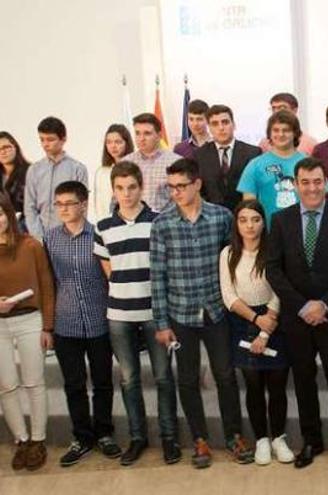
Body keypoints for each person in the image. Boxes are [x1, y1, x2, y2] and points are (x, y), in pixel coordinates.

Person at [150, 159, 253, 468]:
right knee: (188, 378)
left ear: (197, 184)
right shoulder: (162, 224)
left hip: (216, 312)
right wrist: (161, 322)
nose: (176, 193)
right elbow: (157, 276)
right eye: (171, 188)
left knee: (225, 375)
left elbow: (233, 264)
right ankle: (200, 440)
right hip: (180, 315)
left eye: (181, 186)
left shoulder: (221, 218)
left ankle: (234, 436)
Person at [265, 158, 328, 469]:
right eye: (305, 182)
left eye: (317, 181)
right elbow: (274, 270)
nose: (311, 188)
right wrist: (303, 306)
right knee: (304, 382)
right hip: (297, 318)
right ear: (295, 185)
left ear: (326, 183)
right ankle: (312, 441)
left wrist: (325, 304)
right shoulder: (280, 221)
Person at [93, 161, 179, 466]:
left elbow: (166, 268)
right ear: (113, 190)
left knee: (163, 376)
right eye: (120, 188)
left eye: (131, 187)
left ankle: (169, 437)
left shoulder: (159, 221)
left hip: (155, 313)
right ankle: (138, 437)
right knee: (129, 379)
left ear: (141, 187)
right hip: (119, 314)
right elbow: (110, 273)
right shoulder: (103, 228)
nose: (126, 194)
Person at [43, 181, 120, 466]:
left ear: (83, 204)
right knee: (74, 384)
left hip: (100, 320)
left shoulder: (99, 235)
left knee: (102, 382)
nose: (63, 209)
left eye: (69, 203)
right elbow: (48, 283)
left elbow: (111, 276)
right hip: (66, 323)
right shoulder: (50, 239)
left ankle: (104, 433)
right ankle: (82, 437)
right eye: (58, 204)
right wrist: (47, 326)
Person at [220, 200, 292, 466]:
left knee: (277, 385)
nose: (249, 226)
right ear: (236, 224)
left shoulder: (274, 251)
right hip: (242, 319)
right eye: (243, 220)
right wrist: (255, 321)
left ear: (264, 222)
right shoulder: (228, 254)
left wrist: (266, 327)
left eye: (255, 219)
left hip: (275, 320)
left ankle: (278, 439)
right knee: (253, 385)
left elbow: (280, 288)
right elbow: (228, 295)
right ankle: (261, 439)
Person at [0, 194, 53, 471]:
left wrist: (48, 326)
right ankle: (20, 440)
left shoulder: (30, 245)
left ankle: (38, 440)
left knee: (34, 382)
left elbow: (46, 284)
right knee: (7, 385)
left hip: (30, 320)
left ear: (9, 215)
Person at [237, 110, 308, 229]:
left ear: (295, 133)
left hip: (303, 231)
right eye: (276, 130)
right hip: (269, 233)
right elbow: (249, 207)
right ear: (269, 134)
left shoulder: (308, 163)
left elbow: (319, 198)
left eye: (286, 130)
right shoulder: (255, 165)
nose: (281, 134)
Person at [24, 116, 88, 241]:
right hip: (40, 238)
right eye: (42, 139)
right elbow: (29, 207)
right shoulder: (34, 170)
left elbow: (82, 207)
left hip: (69, 237)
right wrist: (39, 237)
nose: (45, 144)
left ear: (63, 139)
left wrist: (73, 235)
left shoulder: (77, 169)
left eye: (50, 139)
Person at [195, 104, 261, 210]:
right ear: (209, 128)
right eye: (215, 124)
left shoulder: (252, 152)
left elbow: (256, 189)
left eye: (225, 122)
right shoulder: (199, 155)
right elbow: (198, 190)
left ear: (234, 125)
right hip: (212, 217)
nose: (221, 128)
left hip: (243, 216)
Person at [121, 113, 182, 213]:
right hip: (134, 223)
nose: (141, 138)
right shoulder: (125, 163)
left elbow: (183, 197)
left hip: (166, 222)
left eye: (147, 133)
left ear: (159, 135)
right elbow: (116, 200)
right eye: (137, 133)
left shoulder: (175, 162)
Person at [90, 124, 134, 222]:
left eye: (118, 142)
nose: (113, 146)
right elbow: (98, 204)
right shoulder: (101, 171)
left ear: (127, 143)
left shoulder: (135, 168)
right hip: (106, 222)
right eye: (109, 142)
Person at [0, 132, 30, 220]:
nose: (3, 152)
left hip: (23, 225)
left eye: (6, 147)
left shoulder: (31, 171)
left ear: (15, 147)